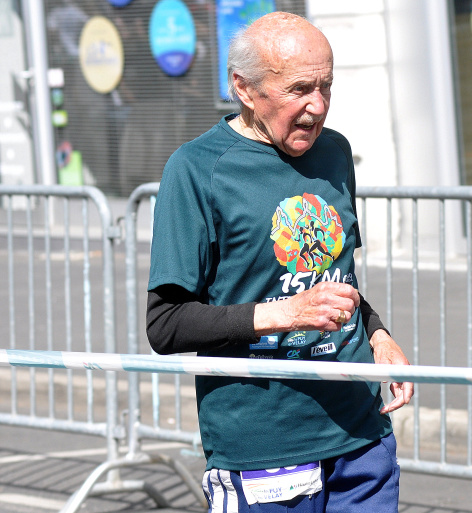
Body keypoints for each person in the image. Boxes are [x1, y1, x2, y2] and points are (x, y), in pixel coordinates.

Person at [145, 11, 414, 513]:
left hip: (361, 437)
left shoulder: (334, 153)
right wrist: (283, 313)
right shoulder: (197, 169)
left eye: (326, 86)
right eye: (299, 89)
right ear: (244, 89)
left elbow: (336, 278)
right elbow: (165, 326)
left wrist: (377, 334)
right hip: (265, 449)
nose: (318, 106)